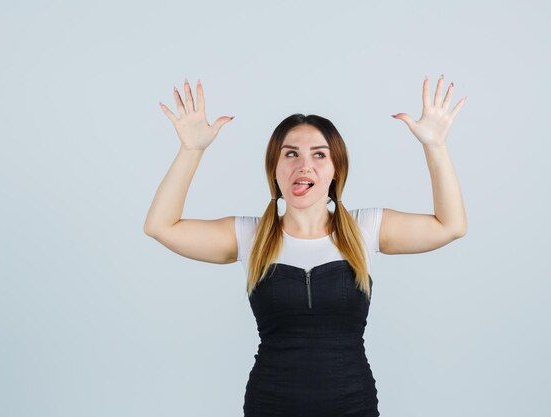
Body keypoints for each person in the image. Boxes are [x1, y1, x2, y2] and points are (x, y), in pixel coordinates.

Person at [144, 76, 467, 417]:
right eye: (291, 154)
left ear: (334, 170)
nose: (304, 165)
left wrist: (436, 146)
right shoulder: (249, 236)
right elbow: (160, 226)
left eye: (319, 154)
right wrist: (191, 151)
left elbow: (451, 225)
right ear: (275, 169)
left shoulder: (365, 229)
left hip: (353, 407)